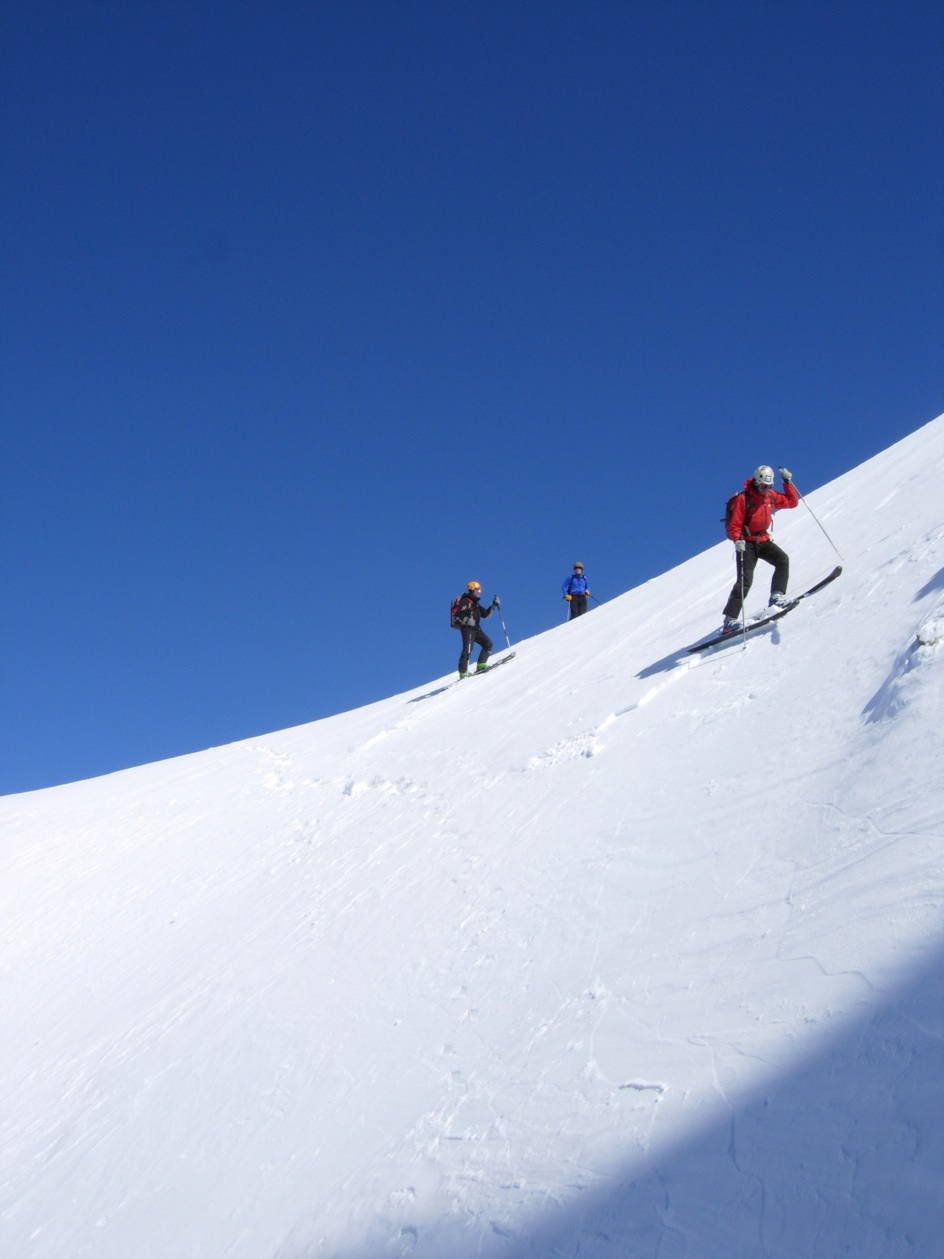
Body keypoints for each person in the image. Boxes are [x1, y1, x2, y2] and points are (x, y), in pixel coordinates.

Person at [722, 465, 799, 633]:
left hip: (763, 540)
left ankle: (776, 596)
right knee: (745, 581)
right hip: (746, 544)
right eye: (763, 486)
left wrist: (787, 482)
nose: (766, 489)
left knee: (782, 560)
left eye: (769, 486)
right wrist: (737, 541)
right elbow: (734, 526)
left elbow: (792, 502)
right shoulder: (744, 499)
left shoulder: (770, 496)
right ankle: (729, 620)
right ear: (757, 482)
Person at [452, 581, 499, 677]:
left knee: (488, 644)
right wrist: (467, 620)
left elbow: (485, 614)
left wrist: (493, 605)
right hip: (467, 628)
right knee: (468, 648)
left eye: (480, 589)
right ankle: (463, 672)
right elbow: (459, 613)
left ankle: (481, 665)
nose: (480, 591)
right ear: (472, 590)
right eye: (478, 589)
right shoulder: (466, 600)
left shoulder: (475, 604)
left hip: (475, 628)